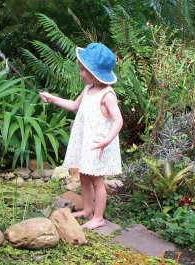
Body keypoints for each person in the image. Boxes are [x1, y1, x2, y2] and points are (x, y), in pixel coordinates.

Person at [39, 43, 123, 229]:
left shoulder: (107, 94)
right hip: (86, 143)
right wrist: (52, 98)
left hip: (97, 144)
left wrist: (105, 141)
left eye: (83, 70)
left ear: (95, 72)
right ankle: (87, 210)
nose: (80, 73)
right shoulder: (88, 89)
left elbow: (118, 121)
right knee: (84, 177)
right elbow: (74, 105)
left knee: (97, 180)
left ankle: (98, 217)